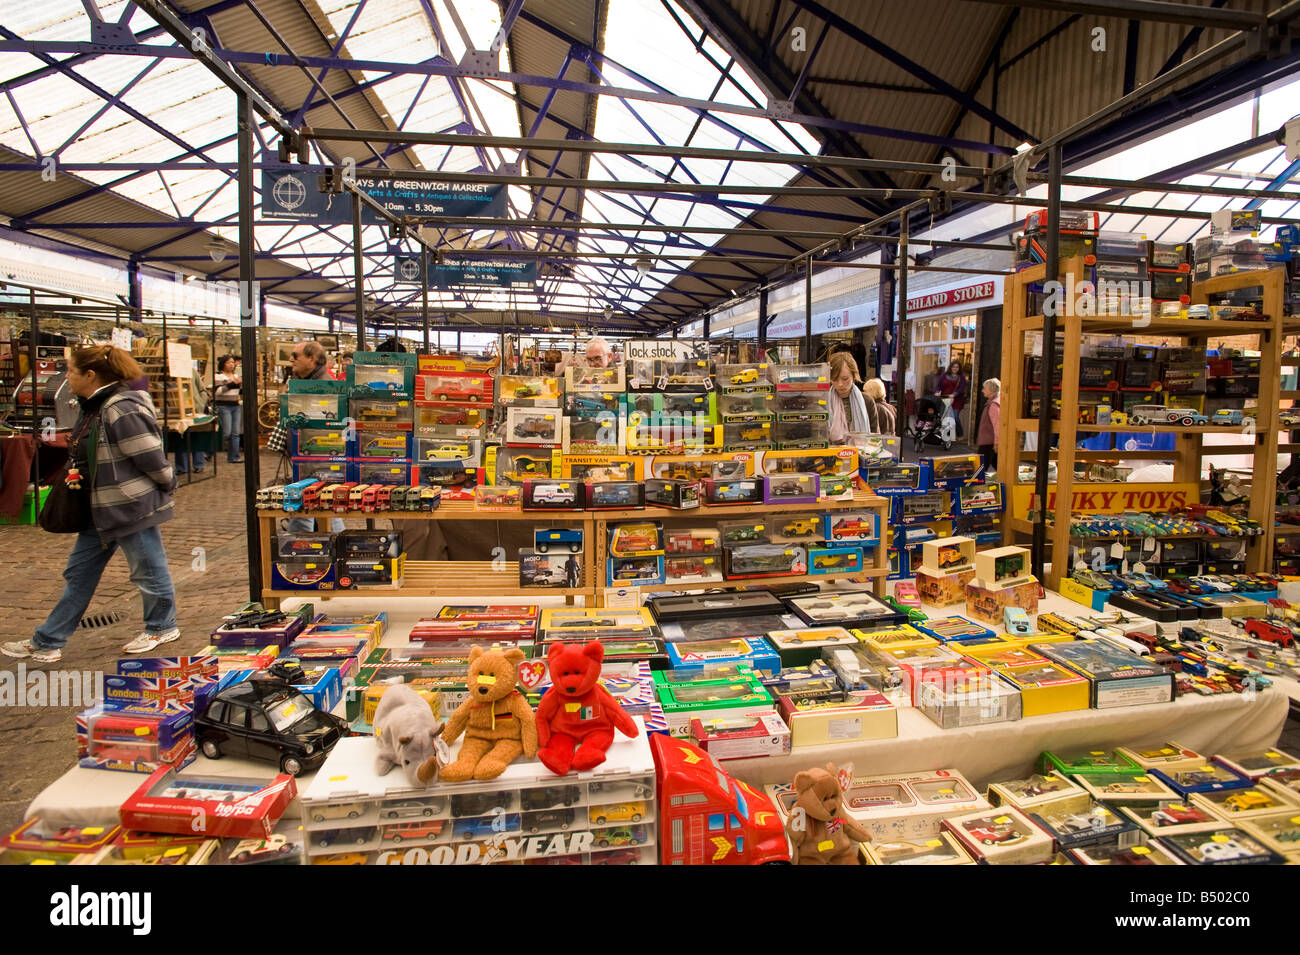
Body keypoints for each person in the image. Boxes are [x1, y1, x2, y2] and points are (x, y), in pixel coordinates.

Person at [3, 345, 179, 663]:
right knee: (79, 573)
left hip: (128, 506)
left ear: (90, 375)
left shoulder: (120, 406)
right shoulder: (94, 405)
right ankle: (48, 640)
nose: (66, 377)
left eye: (70, 371)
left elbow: (150, 455)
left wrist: (168, 483)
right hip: (98, 509)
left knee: (148, 570)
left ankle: (162, 626)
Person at [285, 340, 344, 534]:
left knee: (307, 504)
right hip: (306, 452)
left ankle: (305, 547)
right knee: (319, 504)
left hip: (316, 455)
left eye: (296, 355)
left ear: (312, 358)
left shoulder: (323, 385)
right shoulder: (300, 382)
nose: (291, 359)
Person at [827, 351, 871, 442]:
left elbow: (875, 436)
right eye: (835, 379)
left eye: (845, 379)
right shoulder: (823, 401)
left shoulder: (867, 401)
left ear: (854, 375)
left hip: (860, 453)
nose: (840, 384)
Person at [213, 355, 243, 463]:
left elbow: (237, 392)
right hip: (224, 406)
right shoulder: (218, 376)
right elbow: (217, 392)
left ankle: (234, 457)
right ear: (223, 364)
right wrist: (232, 384)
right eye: (229, 362)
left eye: (232, 362)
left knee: (235, 433)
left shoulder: (235, 375)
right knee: (227, 432)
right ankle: (209, 450)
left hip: (235, 405)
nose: (232, 364)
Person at [935, 360, 969, 438]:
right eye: (953, 366)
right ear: (950, 367)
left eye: (957, 367)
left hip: (957, 401)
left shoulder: (961, 377)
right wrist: (937, 392)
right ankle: (948, 436)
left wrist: (954, 394)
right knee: (945, 418)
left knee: (954, 417)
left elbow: (961, 388)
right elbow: (939, 386)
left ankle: (960, 434)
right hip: (945, 399)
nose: (955, 368)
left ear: (959, 368)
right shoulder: (944, 375)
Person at [976, 378, 1001, 470]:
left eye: (984, 388)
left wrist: (997, 442)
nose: (982, 390)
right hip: (990, 441)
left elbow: (997, 425)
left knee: (980, 469)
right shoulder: (996, 401)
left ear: (991, 390)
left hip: (988, 442)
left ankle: (974, 484)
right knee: (1000, 466)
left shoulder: (994, 404)